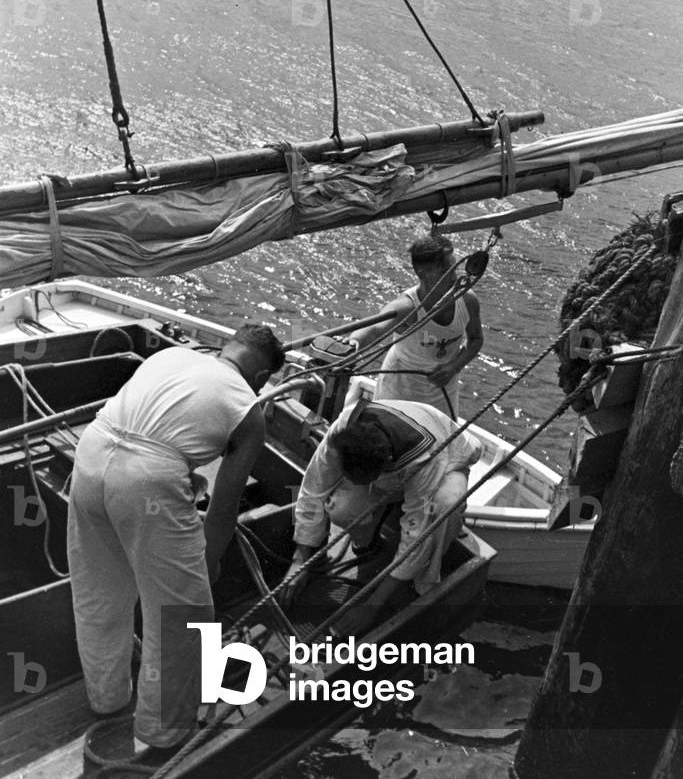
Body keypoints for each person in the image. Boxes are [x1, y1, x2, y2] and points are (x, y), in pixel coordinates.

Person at [67, 325, 285, 756]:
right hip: (148, 481)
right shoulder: (249, 408)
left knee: (100, 592)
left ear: (230, 347)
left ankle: (106, 699)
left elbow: (148, 430)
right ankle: (163, 732)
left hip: (90, 455)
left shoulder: (168, 358)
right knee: (184, 614)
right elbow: (223, 507)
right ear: (261, 377)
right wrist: (210, 561)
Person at [280, 397, 482, 634]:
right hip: (389, 466)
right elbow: (312, 488)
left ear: (383, 467)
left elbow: (415, 537)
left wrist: (372, 606)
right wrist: (300, 559)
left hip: (448, 455)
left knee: (444, 507)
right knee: (342, 506)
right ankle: (367, 546)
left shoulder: (428, 459)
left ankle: (424, 583)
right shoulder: (343, 429)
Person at [348, 235, 483, 418]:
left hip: (442, 391)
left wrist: (454, 366)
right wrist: (353, 343)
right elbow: (374, 328)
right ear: (422, 272)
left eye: (454, 267)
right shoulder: (407, 307)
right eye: (445, 269)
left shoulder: (467, 300)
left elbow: (475, 340)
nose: (454, 276)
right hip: (399, 390)